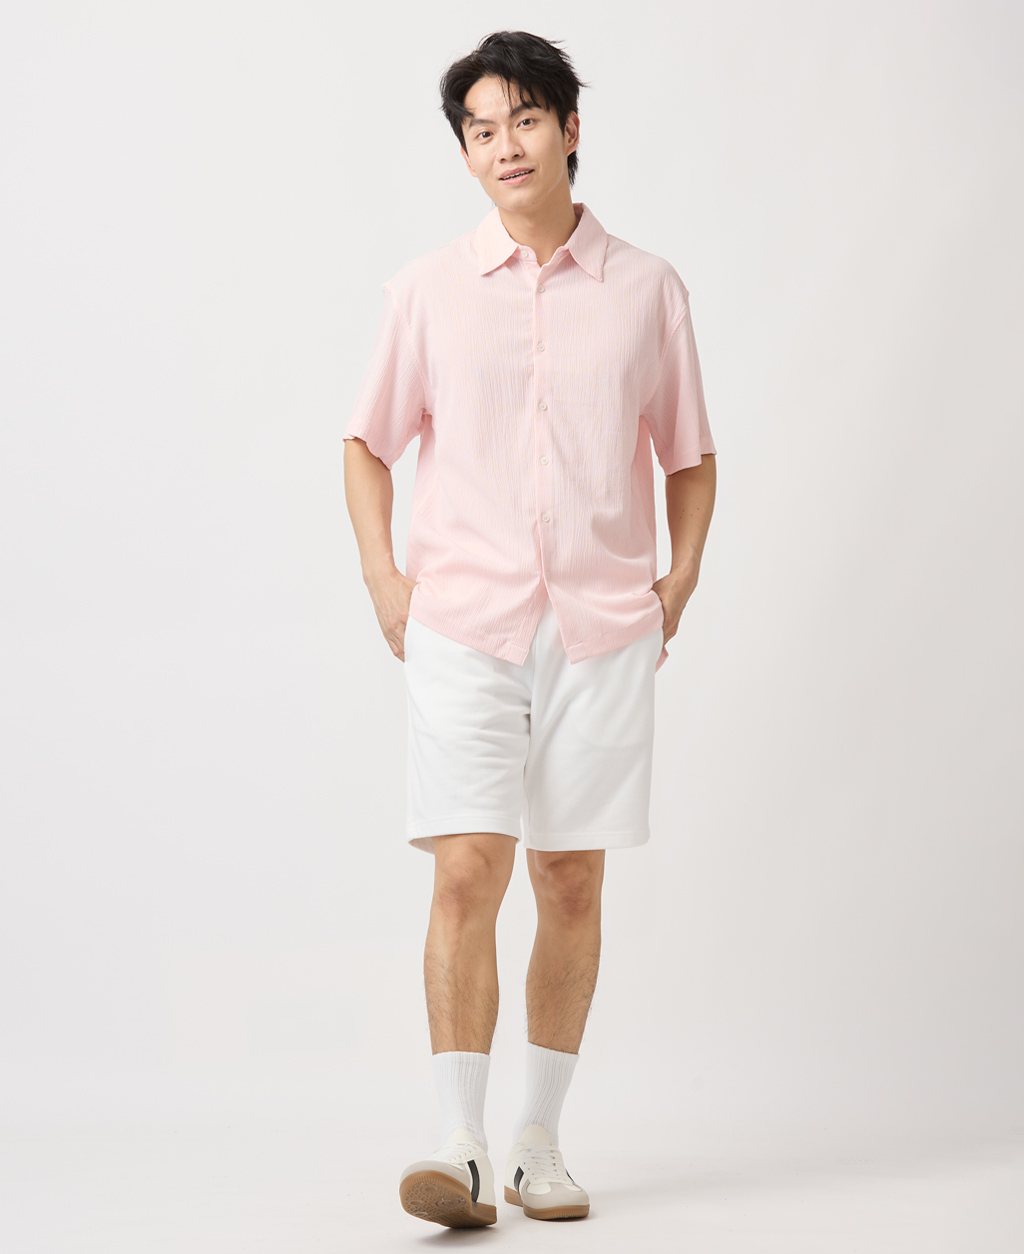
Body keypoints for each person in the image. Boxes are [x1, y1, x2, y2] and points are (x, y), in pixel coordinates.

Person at [342, 30, 717, 1228]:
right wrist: (384, 580)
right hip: (464, 621)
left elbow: (689, 456)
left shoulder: (648, 289)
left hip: (601, 630)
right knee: (467, 867)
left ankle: (536, 1143)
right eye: (481, 129)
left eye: (524, 119)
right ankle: (456, 1146)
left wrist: (678, 581)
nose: (504, 145)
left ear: (568, 128)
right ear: (465, 152)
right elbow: (366, 444)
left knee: (568, 879)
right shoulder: (426, 291)